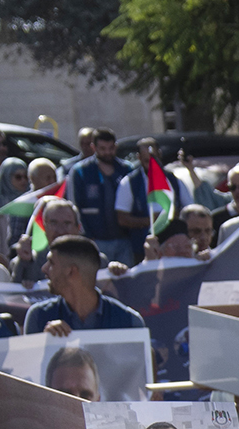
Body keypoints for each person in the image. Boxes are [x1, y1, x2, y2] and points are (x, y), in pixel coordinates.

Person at [25, 237, 147, 337]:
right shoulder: (38, 317)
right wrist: (43, 341)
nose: (44, 269)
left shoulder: (130, 322)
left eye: (51, 263)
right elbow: (30, 365)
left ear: (71, 272)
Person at [60, 127, 136, 265]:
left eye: (111, 148)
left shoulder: (126, 169)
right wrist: (86, 237)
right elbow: (74, 207)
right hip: (96, 240)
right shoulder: (81, 171)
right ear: (93, 147)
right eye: (102, 148)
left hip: (125, 240)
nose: (107, 152)